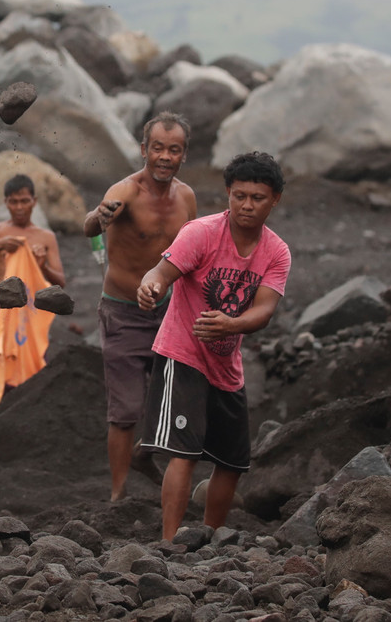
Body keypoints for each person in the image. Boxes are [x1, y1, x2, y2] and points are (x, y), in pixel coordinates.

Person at [136, 151, 291, 541]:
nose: (247, 205)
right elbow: (162, 272)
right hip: (182, 353)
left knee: (233, 461)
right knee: (184, 452)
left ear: (274, 200)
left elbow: (265, 310)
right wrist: (151, 286)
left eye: (257, 198)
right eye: (239, 196)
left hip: (226, 365)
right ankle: (169, 543)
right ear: (228, 193)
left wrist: (231, 325)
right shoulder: (201, 233)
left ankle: (210, 539)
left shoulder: (276, 252)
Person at [83, 111, 198, 502]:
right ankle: (117, 495)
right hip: (123, 313)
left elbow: (195, 251)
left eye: (174, 150)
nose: (165, 157)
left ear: (184, 155)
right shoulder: (126, 191)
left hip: (170, 313)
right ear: (144, 150)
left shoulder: (186, 198)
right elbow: (89, 225)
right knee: (127, 409)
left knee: (177, 398)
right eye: (158, 149)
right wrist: (98, 217)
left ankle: (146, 454)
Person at [0, 174, 66, 403]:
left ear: (34, 201)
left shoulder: (45, 237)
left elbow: (60, 280)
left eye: (24, 201)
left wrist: (42, 266)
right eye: (13, 202)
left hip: (32, 308)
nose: (19, 208)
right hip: (3, 306)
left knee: (34, 355)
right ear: (5, 203)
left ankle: (31, 398)